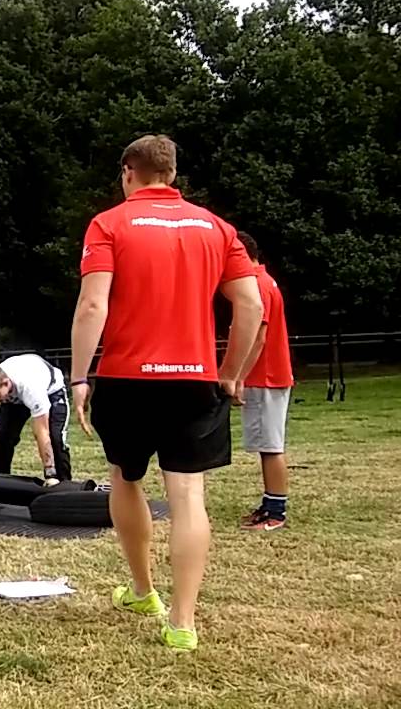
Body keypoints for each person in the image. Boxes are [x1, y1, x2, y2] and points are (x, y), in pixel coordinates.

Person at [70, 134, 263, 652]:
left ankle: (143, 591)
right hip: (194, 378)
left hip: (127, 378)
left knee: (125, 477)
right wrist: (230, 372)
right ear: (172, 175)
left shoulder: (108, 224)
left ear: (127, 172)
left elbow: (93, 306)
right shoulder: (217, 228)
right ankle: (182, 621)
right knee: (188, 496)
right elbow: (251, 305)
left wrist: (80, 376)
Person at [235, 231, 294, 531]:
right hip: (269, 375)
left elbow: (258, 338)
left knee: (271, 446)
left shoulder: (257, 285)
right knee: (266, 445)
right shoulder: (265, 281)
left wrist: (238, 377)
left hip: (266, 376)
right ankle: (269, 503)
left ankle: (276, 512)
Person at [0, 354, 71, 484]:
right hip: (13, 397)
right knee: (2, 439)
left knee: (56, 439)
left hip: (50, 391)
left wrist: (50, 473)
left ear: (6, 383)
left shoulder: (30, 387)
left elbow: (42, 432)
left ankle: (63, 483)